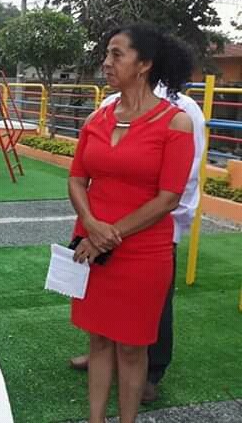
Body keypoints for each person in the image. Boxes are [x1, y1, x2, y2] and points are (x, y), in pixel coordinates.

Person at [68, 23, 195, 423]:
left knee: (131, 347)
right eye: (107, 53)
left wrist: (108, 234)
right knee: (98, 341)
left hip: (143, 254)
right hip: (92, 247)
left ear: (144, 64)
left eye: (117, 54)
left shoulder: (175, 123)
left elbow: (168, 198)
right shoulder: (98, 118)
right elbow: (77, 179)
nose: (106, 62)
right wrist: (91, 224)